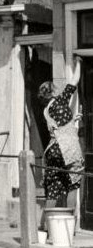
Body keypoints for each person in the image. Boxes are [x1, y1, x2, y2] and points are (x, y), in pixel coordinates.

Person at [38, 56, 84, 211]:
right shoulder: (61, 101)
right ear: (53, 91)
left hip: (52, 151)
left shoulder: (46, 110)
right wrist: (78, 62)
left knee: (53, 190)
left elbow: (59, 126)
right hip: (68, 149)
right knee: (73, 184)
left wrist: (73, 120)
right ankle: (69, 224)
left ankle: (45, 225)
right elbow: (74, 81)